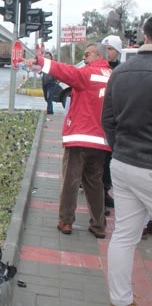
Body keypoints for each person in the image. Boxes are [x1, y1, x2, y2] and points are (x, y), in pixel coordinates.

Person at [24, 42, 111, 239]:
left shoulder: (88, 74)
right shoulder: (113, 77)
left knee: (71, 182)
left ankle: (65, 221)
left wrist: (40, 61)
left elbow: (64, 71)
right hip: (101, 143)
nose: (85, 59)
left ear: (98, 55)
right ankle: (98, 225)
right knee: (95, 183)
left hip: (79, 140)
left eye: (87, 54)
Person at [104, 17, 152, 306]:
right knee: (124, 235)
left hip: (123, 165)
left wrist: (119, 149)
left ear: (144, 35)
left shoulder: (120, 73)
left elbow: (107, 120)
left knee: (124, 235)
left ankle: (120, 300)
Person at [100, 35, 123, 211]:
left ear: (118, 51)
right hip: (97, 122)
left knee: (109, 161)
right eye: (105, 49)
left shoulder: (122, 71)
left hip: (114, 123)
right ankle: (97, 193)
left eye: (111, 49)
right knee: (97, 161)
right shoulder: (97, 69)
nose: (107, 53)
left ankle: (105, 190)